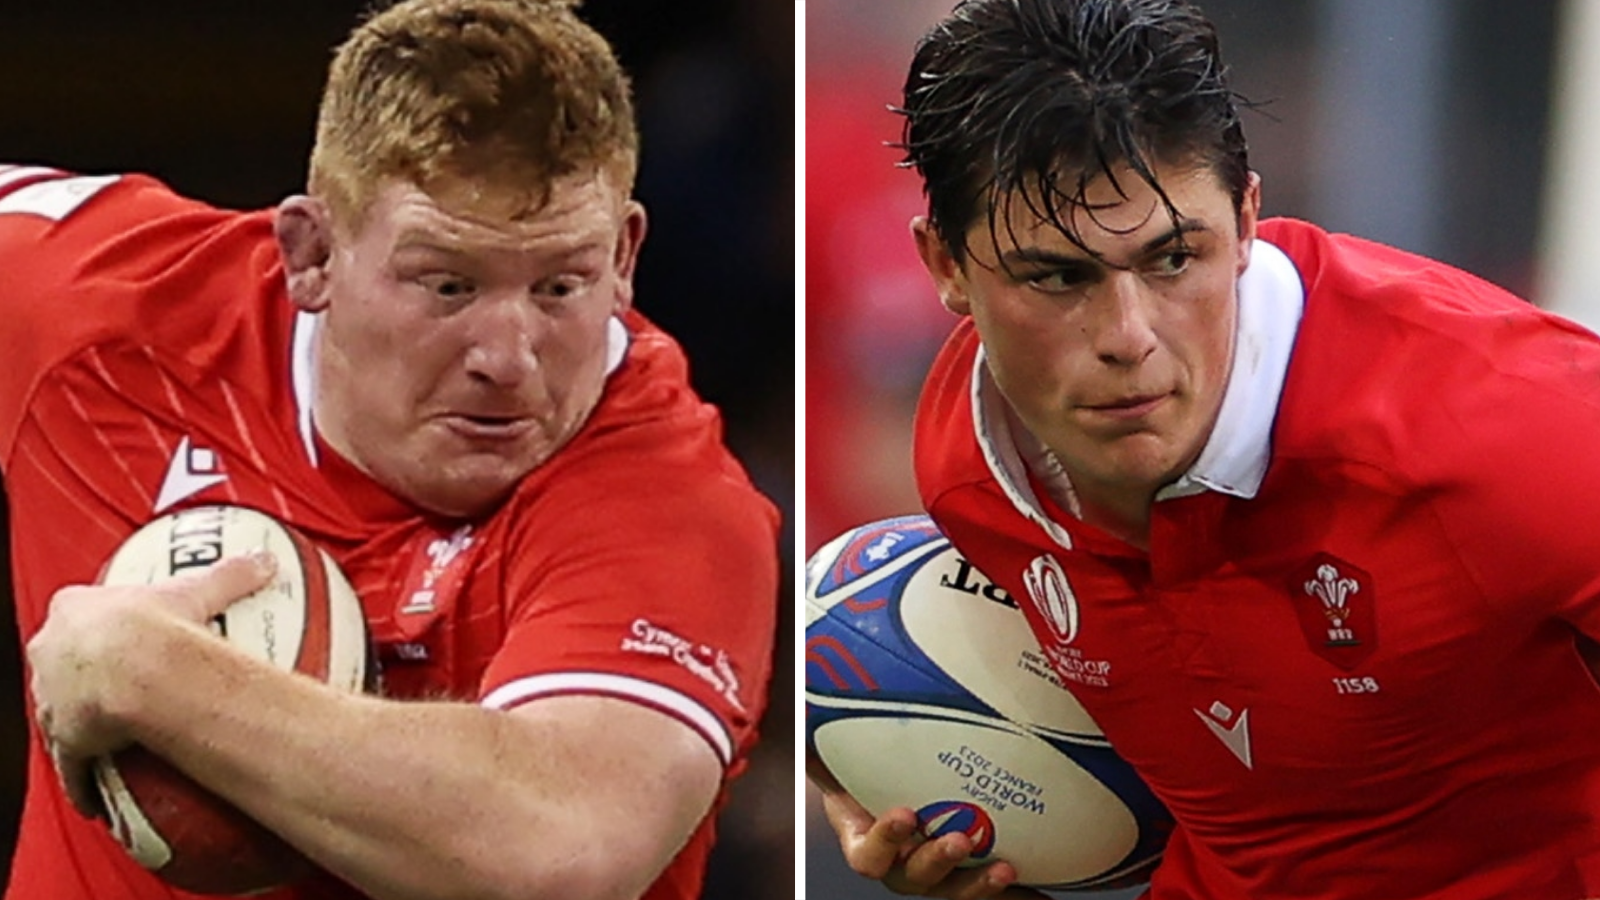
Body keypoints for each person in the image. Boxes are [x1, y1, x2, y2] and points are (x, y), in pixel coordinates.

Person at [811, 0, 1600, 898]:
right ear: (947, 266)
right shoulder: (967, 466)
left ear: (1248, 218)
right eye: (1059, 277)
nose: (1128, 336)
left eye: (1174, 258)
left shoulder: (1508, 427)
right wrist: (878, 759)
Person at [0, 1, 780, 898]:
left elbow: (558, 852)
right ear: (312, 252)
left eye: (561, 285)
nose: (508, 357)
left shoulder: (673, 503)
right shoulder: (108, 310)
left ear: (627, 254)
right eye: (448, 284)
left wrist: (147, 674)